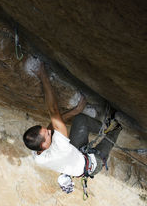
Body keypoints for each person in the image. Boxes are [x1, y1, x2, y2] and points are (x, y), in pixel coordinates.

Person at [23, 63, 121, 193]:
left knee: (80, 119)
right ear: (45, 144)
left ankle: (104, 126)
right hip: (92, 165)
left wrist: (76, 111)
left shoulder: (38, 155)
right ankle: (115, 128)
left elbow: (52, 125)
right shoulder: (60, 147)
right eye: (47, 134)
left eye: (45, 130)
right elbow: (53, 110)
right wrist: (42, 75)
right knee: (111, 135)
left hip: (76, 153)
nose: (49, 130)